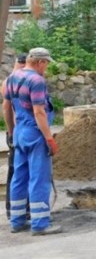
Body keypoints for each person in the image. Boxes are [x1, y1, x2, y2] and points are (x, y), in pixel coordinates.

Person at [5, 47, 61, 235]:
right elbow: (39, 111)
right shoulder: (36, 80)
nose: (45, 68)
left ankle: (17, 220)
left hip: (20, 132)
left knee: (19, 177)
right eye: (46, 64)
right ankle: (40, 224)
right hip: (35, 133)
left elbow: (7, 107)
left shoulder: (12, 77)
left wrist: (12, 133)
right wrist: (49, 138)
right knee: (39, 178)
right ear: (40, 62)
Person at [2, 53, 27, 220]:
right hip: (19, 131)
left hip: (17, 131)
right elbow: (6, 108)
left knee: (17, 171)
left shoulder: (11, 80)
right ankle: (14, 209)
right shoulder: (12, 81)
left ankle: (17, 210)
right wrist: (11, 132)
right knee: (16, 171)